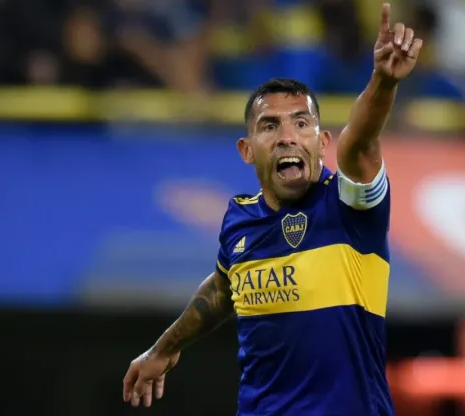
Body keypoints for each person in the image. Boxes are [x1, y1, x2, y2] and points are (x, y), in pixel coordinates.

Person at [121, 3, 423, 415]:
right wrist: (164, 347)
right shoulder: (240, 221)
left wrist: (383, 82)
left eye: (302, 124)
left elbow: (361, 142)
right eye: (270, 126)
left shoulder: (351, 206)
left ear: (322, 142)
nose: (287, 137)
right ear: (247, 151)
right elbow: (224, 288)